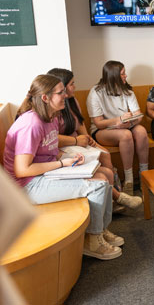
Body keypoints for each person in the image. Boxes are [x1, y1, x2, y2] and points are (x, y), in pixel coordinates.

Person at [3, 74, 123, 260]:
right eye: (61, 93)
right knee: (98, 185)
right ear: (45, 98)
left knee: (104, 175)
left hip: (42, 173)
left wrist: (68, 157)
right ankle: (93, 241)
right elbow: (22, 170)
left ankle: (100, 231)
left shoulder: (51, 117)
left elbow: (47, 149)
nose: (66, 95)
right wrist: (61, 163)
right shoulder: (31, 124)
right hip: (26, 185)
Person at [48, 68, 142, 211]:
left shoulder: (72, 101)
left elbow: (80, 124)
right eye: (72, 84)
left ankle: (111, 199)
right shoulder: (51, 108)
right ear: (61, 86)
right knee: (103, 162)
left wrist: (90, 141)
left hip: (78, 141)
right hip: (66, 146)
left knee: (105, 154)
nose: (74, 87)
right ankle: (116, 197)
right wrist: (77, 141)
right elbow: (52, 138)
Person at [87, 61, 149, 195]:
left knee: (142, 132)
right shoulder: (96, 92)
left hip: (126, 125)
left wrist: (129, 123)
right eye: (123, 74)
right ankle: (129, 179)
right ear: (113, 76)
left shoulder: (127, 90)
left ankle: (145, 174)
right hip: (103, 130)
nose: (126, 76)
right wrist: (118, 121)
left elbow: (138, 115)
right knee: (125, 135)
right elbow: (98, 123)